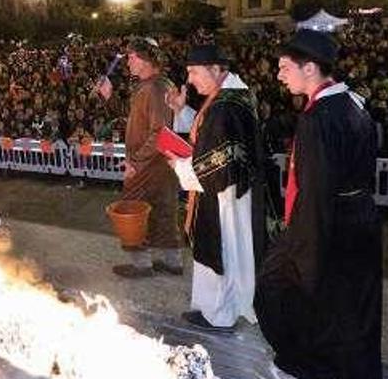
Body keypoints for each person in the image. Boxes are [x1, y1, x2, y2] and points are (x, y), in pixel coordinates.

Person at [255, 29, 382, 378]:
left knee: (279, 287)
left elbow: (316, 191)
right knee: (350, 310)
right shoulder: (351, 104)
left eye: (284, 67)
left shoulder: (318, 119)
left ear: (309, 68)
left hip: (329, 224)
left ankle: (303, 364)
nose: (278, 75)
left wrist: (305, 257)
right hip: (358, 219)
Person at [165, 44, 265, 329]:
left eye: (194, 72)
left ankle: (219, 314)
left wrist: (179, 166)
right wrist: (183, 111)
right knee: (229, 250)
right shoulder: (230, 96)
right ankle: (216, 309)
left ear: (217, 69)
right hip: (232, 190)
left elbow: (216, 159)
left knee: (221, 249)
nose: (191, 80)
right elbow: (210, 133)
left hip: (223, 195)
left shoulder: (225, 107)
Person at [97, 38, 183, 278]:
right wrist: (109, 97)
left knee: (132, 209)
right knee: (163, 211)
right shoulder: (155, 85)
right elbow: (135, 122)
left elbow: (159, 132)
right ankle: (173, 261)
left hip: (148, 165)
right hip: (160, 164)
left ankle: (142, 264)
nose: (128, 62)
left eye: (132, 57)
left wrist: (135, 163)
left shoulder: (154, 88)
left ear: (148, 59)